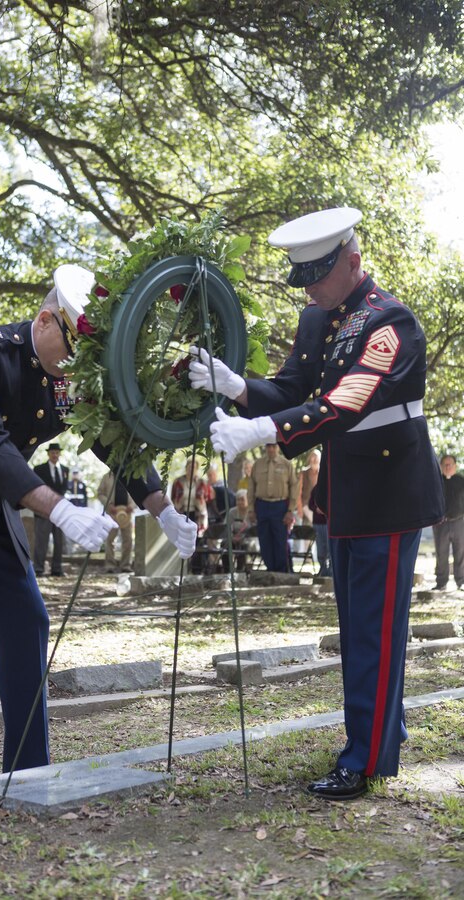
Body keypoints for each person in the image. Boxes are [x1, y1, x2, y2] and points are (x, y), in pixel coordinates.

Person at [0, 263, 197, 804]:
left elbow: (110, 441)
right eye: (73, 349)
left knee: (27, 614)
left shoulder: (71, 375)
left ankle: (27, 765)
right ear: (47, 320)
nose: (76, 367)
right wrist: (58, 509)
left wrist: (162, 508)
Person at [189, 206, 444, 800]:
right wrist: (238, 387)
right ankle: (382, 732)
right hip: (350, 493)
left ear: (352, 261)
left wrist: (262, 433)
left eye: (318, 276)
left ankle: (365, 760)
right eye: (303, 279)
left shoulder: (390, 324)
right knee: (359, 626)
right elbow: (293, 387)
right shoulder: (317, 318)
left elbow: (344, 403)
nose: (310, 290)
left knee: (374, 633)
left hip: (391, 494)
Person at [247, 443, 297, 572]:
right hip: (262, 505)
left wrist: (290, 510)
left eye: (273, 446)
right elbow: (251, 488)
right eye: (268, 446)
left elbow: (294, 487)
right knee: (265, 540)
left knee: (280, 541)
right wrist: (251, 509)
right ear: (265, 447)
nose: (271, 449)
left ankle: (282, 572)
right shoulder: (258, 465)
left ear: (278, 447)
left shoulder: (286, 464)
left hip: (280, 506)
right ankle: (270, 569)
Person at [32, 443, 68, 576]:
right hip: (43, 511)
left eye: (57, 452)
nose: (55, 455)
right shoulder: (39, 469)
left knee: (59, 541)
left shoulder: (65, 470)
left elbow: (64, 490)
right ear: (48, 454)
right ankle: (39, 568)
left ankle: (57, 568)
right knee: (41, 541)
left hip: (60, 512)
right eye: (52, 452)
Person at [432, 454, 464, 591]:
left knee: (461, 553)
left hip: (459, 522)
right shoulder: (436, 481)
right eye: (445, 464)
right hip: (441, 523)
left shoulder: (461, 480)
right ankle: (441, 582)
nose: (448, 466)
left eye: (450, 464)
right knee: (441, 553)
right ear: (441, 466)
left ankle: (461, 581)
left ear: (455, 466)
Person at [97, 470, 135, 573]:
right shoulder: (106, 476)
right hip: (112, 514)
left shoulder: (131, 475)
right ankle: (110, 565)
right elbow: (100, 493)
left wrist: (131, 506)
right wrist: (109, 505)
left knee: (128, 540)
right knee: (110, 540)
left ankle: (126, 565)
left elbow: (137, 494)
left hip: (127, 514)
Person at [221, 488, 252, 572]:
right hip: (233, 537)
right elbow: (226, 527)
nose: (239, 502)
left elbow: (254, 529)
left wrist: (242, 537)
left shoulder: (252, 512)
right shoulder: (232, 512)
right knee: (225, 544)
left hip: (248, 538)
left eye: (242, 500)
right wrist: (231, 537)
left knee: (244, 545)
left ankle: (240, 570)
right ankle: (227, 570)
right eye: (238, 500)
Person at [308, 486, 331, 577]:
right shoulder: (316, 488)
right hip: (318, 523)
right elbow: (310, 504)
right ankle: (322, 570)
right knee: (321, 548)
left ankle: (331, 571)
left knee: (329, 549)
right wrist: (316, 509)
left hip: (328, 523)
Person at [296, 449, 320, 529]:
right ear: (310, 459)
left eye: (317, 457)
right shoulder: (303, 473)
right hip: (306, 507)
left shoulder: (324, 473)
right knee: (308, 535)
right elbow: (298, 493)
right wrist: (300, 509)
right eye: (313, 457)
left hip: (320, 508)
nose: (315, 459)